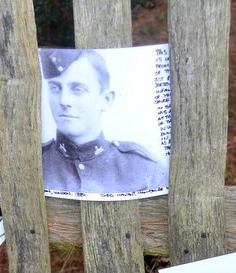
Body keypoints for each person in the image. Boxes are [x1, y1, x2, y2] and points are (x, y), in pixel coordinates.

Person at [40, 49, 167, 194]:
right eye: (55, 88)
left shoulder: (145, 170)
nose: (64, 101)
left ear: (106, 100)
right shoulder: (35, 161)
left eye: (78, 89)